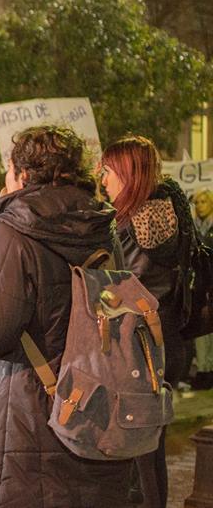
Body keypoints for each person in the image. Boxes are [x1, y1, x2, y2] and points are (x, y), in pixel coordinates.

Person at [0, 125, 135, 507]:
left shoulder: (13, 229)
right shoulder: (104, 227)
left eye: (8, 169)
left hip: (24, 420)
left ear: (22, 174)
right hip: (90, 408)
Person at [100, 135, 192, 507]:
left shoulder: (135, 228)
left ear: (128, 174)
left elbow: (124, 291)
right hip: (162, 344)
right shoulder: (167, 218)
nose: (102, 179)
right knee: (147, 447)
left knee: (139, 451)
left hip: (139, 349)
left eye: (108, 171)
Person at [193, 189, 213, 390]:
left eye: (204, 201)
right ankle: (204, 370)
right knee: (202, 329)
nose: (199, 205)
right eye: (197, 202)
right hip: (202, 286)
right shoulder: (195, 228)